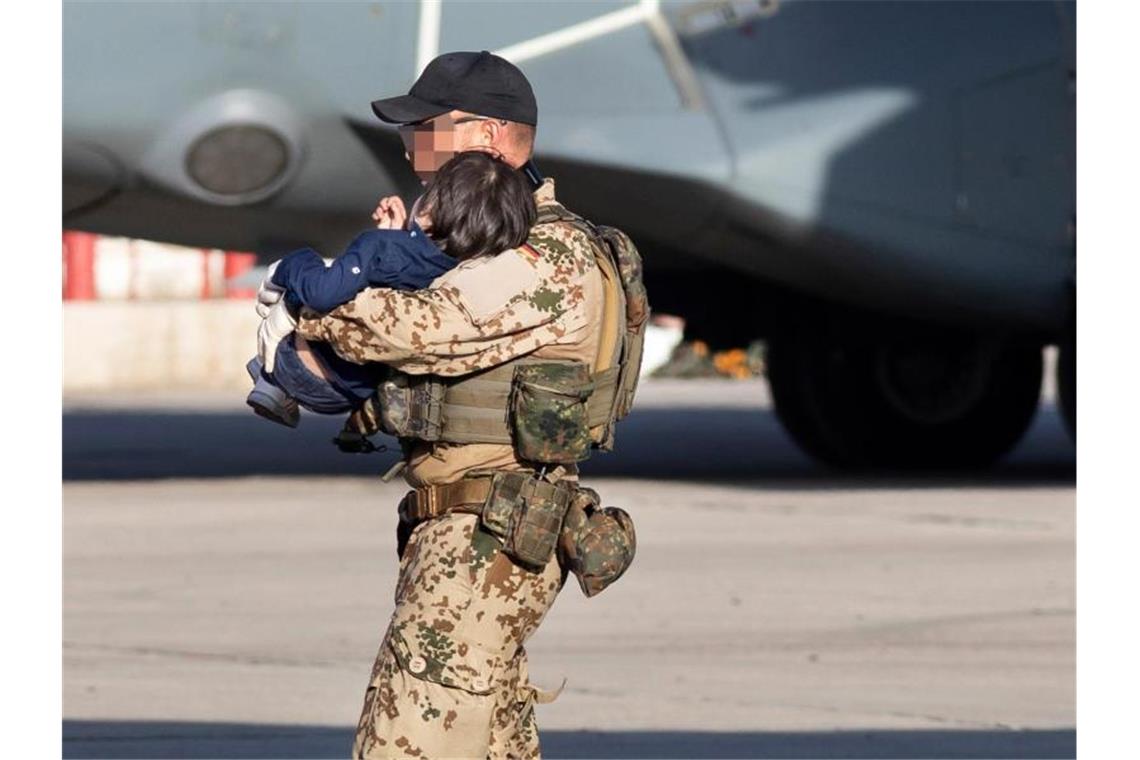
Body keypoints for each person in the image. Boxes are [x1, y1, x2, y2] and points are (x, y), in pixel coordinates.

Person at [256, 51, 643, 759]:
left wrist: (301, 301)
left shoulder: (545, 256)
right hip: (476, 535)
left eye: (427, 128)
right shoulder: (479, 246)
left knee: (408, 745)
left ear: (491, 136)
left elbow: (412, 331)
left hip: (483, 546)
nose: (412, 147)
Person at [248, 151, 536, 427]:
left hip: (305, 370)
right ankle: (272, 383)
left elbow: (323, 294)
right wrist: (396, 238)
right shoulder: (463, 274)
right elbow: (403, 279)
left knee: (310, 270)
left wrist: (288, 266)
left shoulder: (380, 247)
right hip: (355, 392)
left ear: (429, 209)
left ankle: (270, 380)